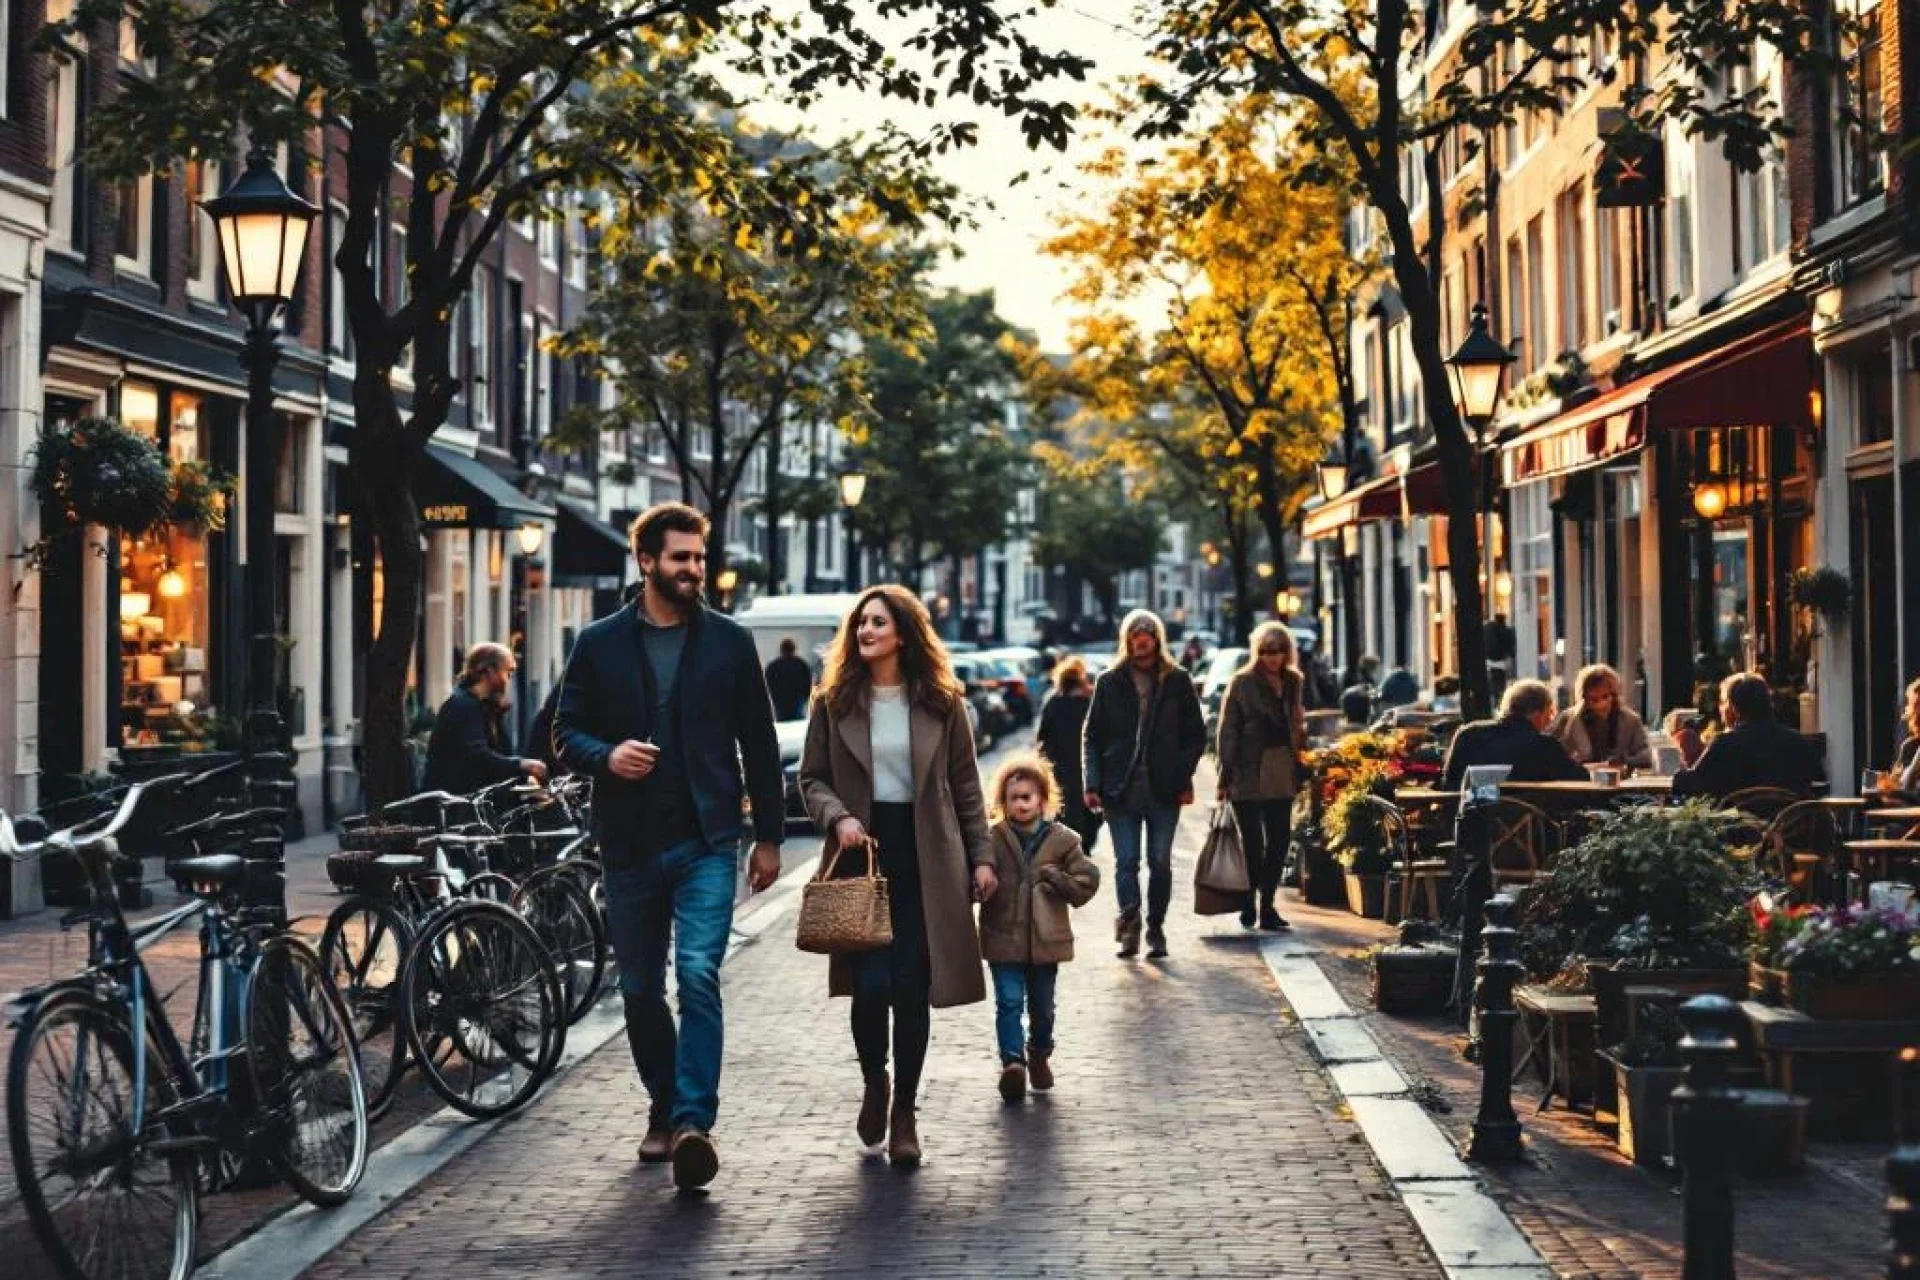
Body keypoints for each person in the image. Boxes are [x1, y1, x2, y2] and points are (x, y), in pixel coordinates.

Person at [552, 502, 785, 1192]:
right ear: (646, 561)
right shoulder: (597, 643)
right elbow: (564, 733)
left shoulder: (730, 641)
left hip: (707, 839)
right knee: (639, 991)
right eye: (680, 558)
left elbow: (761, 744)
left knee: (699, 976)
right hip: (627, 846)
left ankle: (692, 1124)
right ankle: (661, 1103)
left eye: (699, 558)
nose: (693, 569)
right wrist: (606, 755)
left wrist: (769, 835)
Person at [798, 584, 995, 1168]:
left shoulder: (941, 701)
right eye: (860, 623)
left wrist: (981, 856)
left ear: (903, 634)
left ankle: (905, 1111)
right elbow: (811, 779)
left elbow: (966, 786)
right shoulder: (833, 701)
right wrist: (839, 819)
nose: (865, 631)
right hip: (864, 853)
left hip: (926, 855)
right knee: (871, 985)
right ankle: (874, 1081)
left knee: (912, 986)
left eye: (878, 623)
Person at [1082, 609, 1206, 960]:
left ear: (1157, 638)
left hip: (1163, 787)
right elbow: (1091, 735)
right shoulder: (1109, 681)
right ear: (1126, 639)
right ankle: (1130, 926)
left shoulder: (1177, 680)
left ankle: (1156, 927)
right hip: (1119, 787)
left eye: (1148, 632)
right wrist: (1092, 782)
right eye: (1135, 632)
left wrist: (1182, 770)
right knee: (1126, 862)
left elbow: (1196, 734)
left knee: (1160, 861)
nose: (1141, 638)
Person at [977, 752, 1100, 1103]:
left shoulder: (1064, 840)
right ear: (1003, 802)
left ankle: (1039, 1053)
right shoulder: (992, 838)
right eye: (1013, 798)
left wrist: (1056, 879)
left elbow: (1087, 881)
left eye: (1027, 796)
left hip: (1047, 941)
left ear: (1043, 799)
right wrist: (980, 885)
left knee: (1043, 1009)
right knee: (1009, 1001)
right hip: (1003, 936)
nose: (1021, 804)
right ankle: (1012, 1064)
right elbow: (973, 876)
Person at [1215, 622, 1307, 932]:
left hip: (1281, 767)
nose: (1271, 657)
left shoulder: (1293, 681)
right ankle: (1249, 900)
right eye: (1266, 651)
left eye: (1277, 651)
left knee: (1280, 840)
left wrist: (1302, 758)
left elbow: (1297, 721)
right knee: (1252, 842)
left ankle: (1268, 904)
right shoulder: (1242, 683)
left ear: (1286, 653)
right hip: (1248, 768)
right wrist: (1225, 774)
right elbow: (1228, 730)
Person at [1670, 672, 1820, 801]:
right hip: (1788, 828)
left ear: (1733, 708)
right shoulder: (1797, 742)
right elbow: (1815, 779)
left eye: (1724, 704)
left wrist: (1680, 772)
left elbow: (1688, 785)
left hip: (1740, 832)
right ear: (1769, 703)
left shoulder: (1725, 745)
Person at [422, 643, 546, 794]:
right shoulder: (462, 706)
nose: (509, 681)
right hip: (455, 806)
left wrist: (524, 776)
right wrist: (523, 765)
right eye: (508, 673)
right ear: (489, 671)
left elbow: (502, 754)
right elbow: (477, 758)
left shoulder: (487, 708)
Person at [1440, 679, 1588, 791]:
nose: (1550, 721)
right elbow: (1580, 779)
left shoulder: (1468, 734)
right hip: (1530, 827)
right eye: (1549, 714)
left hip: (1473, 826)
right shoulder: (1545, 746)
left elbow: (1448, 783)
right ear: (1537, 715)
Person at [1035, 656, 1100, 853]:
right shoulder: (1091, 700)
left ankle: (1069, 852)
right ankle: (1082, 851)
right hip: (1087, 769)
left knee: (1064, 813)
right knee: (1091, 816)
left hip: (1060, 768)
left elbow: (1042, 737)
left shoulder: (1053, 701)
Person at [1550, 664, 1654, 770]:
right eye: (1594, 700)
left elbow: (1646, 756)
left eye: (1605, 696)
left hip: (1619, 781)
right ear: (1584, 698)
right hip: (1580, 781)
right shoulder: (1568, 720)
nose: (1601, 704)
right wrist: (1572, 761)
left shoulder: (1631, 720)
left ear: (1614, 695)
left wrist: (1623, 760)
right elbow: (1551, 753)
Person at [765, 637, 815, 722]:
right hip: (797, 700)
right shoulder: (801, 664)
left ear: (781, 649)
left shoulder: (773, 666)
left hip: (780, 700)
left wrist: (773, 696)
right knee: (798, 723)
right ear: (794, 648)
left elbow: (768, 683)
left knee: (782, 722)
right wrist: (806, 696)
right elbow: (809, 682)